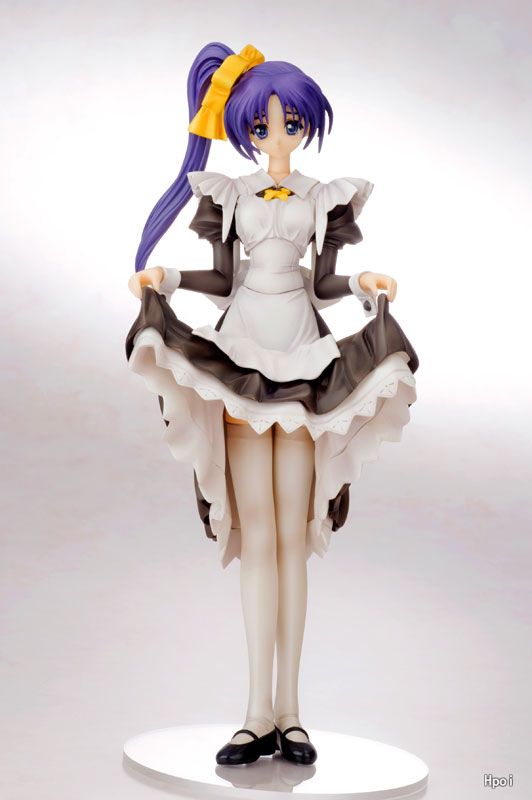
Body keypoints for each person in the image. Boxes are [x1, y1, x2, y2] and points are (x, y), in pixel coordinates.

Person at [126, 42, 419, 766]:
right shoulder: (228, 193)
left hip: (304, 358)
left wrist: (363, 286)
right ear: (246, 129)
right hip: (240, 356)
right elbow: (223, 280)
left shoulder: (325, 195)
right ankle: (256, 712)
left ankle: (291, 713)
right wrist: (168, 277)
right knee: (257, 533)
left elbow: (322, 285)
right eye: (264, 126)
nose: (278, 136)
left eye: (290, 123)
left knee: (292, 535)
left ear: (307, 126)